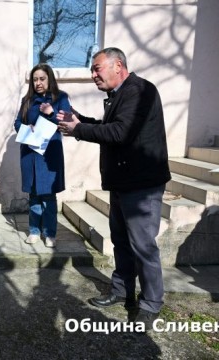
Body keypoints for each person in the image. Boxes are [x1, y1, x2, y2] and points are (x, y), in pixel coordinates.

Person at [57, 47, 171, 330]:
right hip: (123, 181)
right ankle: (122, 291)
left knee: (143, 245)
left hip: (142, 185)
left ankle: (151, 304)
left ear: (117, 65)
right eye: (92, 70)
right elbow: (110, 127)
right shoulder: (118, 96)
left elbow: (120, 133)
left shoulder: (139, 91)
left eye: (97, 68)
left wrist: (78, 130)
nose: (93, 75)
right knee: (121, 241)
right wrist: (79, 121)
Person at [14, 63, 71, 248]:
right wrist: (25, 127)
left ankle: (50, 233)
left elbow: (69, 121)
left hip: (49, 155)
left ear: (49, 79)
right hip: (30, 153)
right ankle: (34, 231)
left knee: (48, 196)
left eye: (42, 79)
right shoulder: (27, 100)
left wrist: (51, 112)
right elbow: (16, 122)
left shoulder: (60, 97)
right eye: (35, 79)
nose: (38, 83)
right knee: (34, 195)